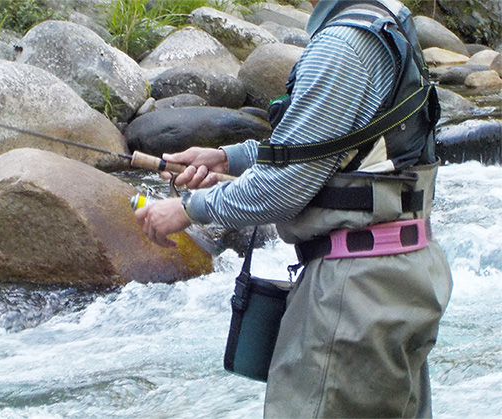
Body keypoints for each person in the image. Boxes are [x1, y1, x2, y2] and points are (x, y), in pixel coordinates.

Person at [135, 0, 453, 417]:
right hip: (399, 274)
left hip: (356, 291)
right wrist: (229, 157)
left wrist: (189, 208)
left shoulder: (344, 44)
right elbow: (338, 147)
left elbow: (283, 188)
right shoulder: (385, 22)